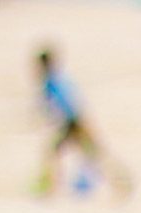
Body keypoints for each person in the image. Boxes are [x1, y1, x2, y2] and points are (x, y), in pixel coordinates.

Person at [34, 46, 128, 197]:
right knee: (88, 154)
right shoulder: (58, 79)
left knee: (63, 153)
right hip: (73, 123)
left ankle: (48, 187)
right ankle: (121, 182)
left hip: (72, 124)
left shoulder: (51, 82)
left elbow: (65, 105)